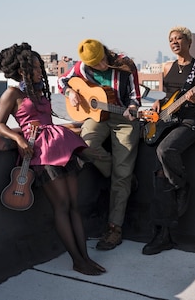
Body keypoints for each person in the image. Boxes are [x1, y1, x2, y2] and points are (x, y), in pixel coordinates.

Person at [0, 42, 106, 276]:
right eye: (33, 67)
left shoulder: (38, 91)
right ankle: (77, 260)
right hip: (40, 153)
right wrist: (18, 140)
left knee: (74, 206)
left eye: (38, 66)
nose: (38, 71)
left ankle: (85, 257)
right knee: (61, 206)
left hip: (60, 146)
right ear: (21, 69)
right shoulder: (12, 93)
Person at [58, 39, 141, 251]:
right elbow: (62, 81)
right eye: (96, 65)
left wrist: (131, 108)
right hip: (97, 117)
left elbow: (135, 97)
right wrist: (71, 93)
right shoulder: (80, 67)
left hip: (123, 118)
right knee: (84, 144)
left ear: (106, 51)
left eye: (103, 60)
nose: (102, 66)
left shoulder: (125, 65)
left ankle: (114, 228)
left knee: (122, 175)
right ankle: (122, 175)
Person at [141, 26, 195, 255]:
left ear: (189, 42)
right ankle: (163, 235)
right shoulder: (166, 67)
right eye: (171, 39)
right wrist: (156, 105)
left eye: (179, 38)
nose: (174, 42)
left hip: (191, 122)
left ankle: (182, 185)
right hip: (169, 121)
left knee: (165, 150)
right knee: (160, 175)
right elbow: (163, 99)